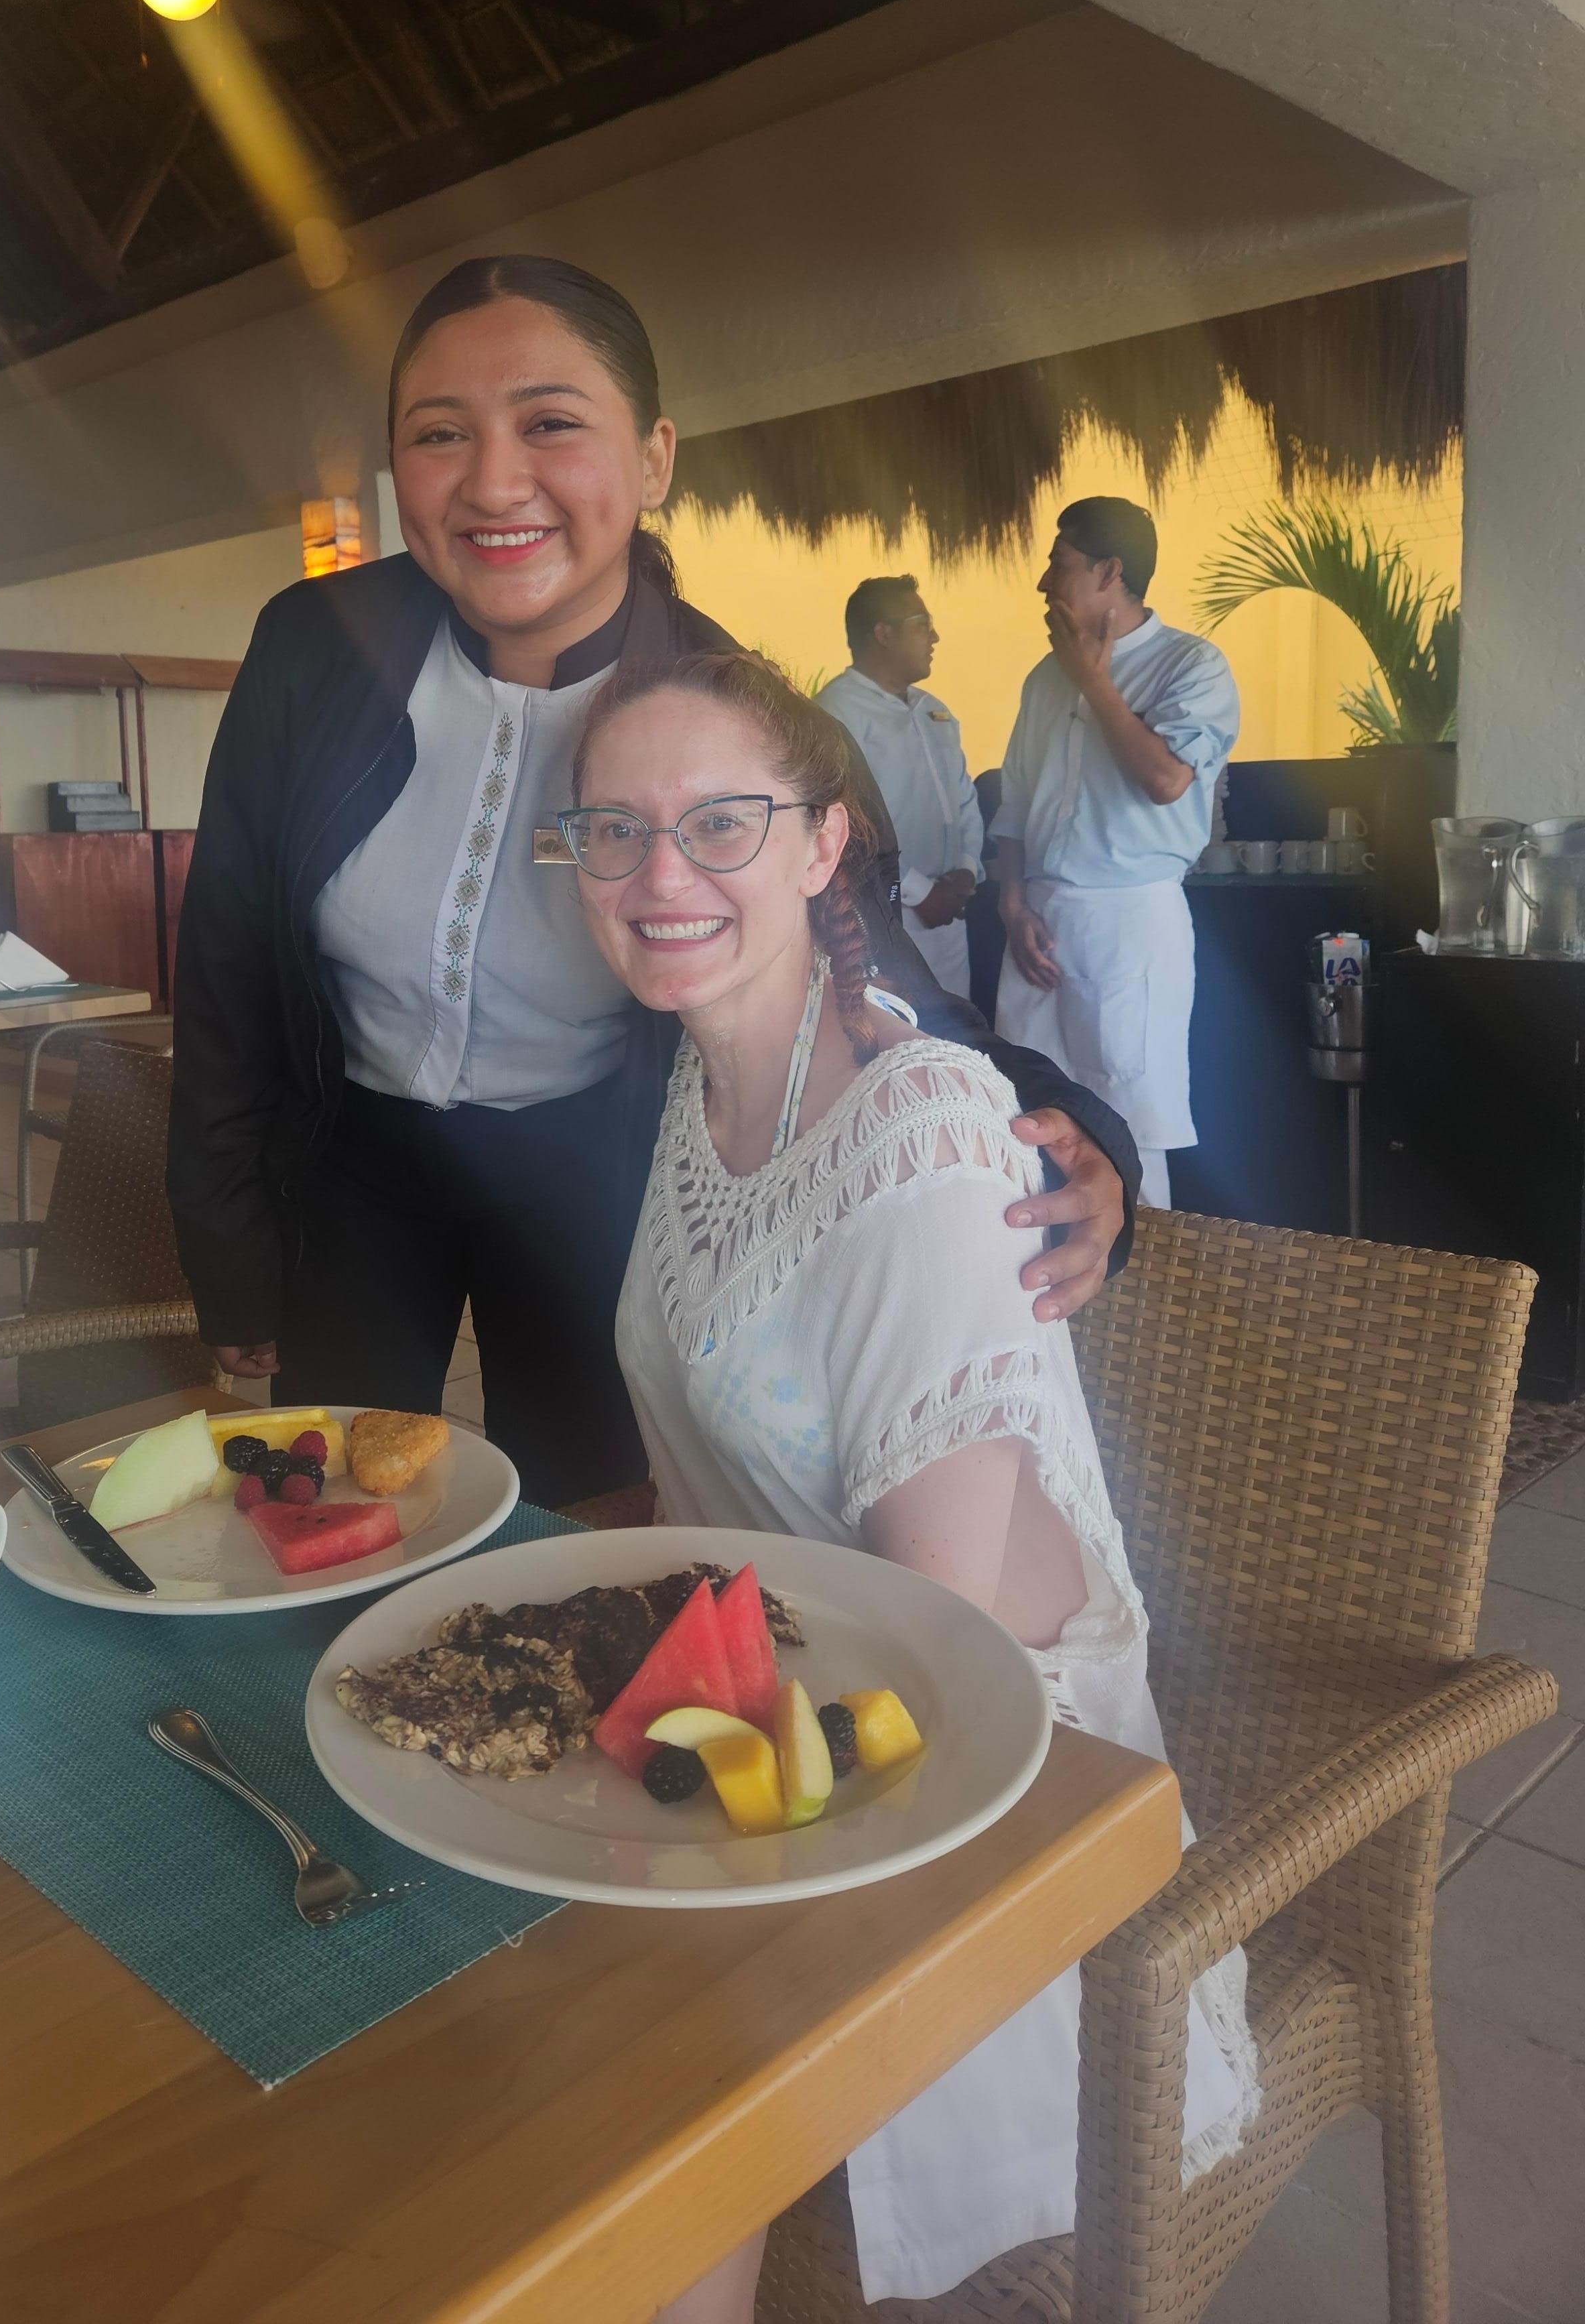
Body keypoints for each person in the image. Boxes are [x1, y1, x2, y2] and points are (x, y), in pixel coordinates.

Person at [166, 257, 1140, 1508]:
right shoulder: (315, 650)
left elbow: (875, 973)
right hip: (352, 1157)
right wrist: (230, 1249)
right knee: (333, 1505)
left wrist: (1078, 1128)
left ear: (655, 458)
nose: (493, 483)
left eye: (551, 424)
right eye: (440, 434)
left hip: (598, 1171)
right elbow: (229, 961)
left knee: (586, 1524)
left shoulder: (725, 715)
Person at [562, 648, 1257, 2319]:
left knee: (612, 2078)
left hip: (978, 1803)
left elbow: (925, 1665)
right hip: (786, 1711)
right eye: (614, 829)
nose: (660, 872)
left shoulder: (923, 1126)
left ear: (822, 844)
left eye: (720, 822)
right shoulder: (696, 1091)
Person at [992, 497, 1239, 1209]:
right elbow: (1014, 804)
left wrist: (1095, 681)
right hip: (1036, 921)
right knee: (1022, 1117)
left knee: (1130, 1129)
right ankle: (1034, 1275)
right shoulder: (1042, 678)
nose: (1044, 581)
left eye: (1059, 564)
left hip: (1131, 923)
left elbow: (1165, 781)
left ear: (1110, 572)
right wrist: (1012, 905)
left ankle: (1140, 1274)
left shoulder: (1191, 665)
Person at [816, 572, 985, 998]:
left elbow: (964, 798)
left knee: (956, 1029)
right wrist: (920, 893)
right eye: (922, 624)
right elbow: (844, 820)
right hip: (887, 915)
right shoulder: (837, 713)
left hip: (950, 911)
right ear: (884, 634)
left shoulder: (934, 711)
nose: (935, 637)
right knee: (899, 1028)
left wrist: (967, 868)